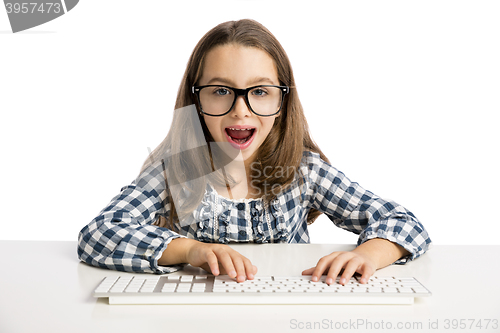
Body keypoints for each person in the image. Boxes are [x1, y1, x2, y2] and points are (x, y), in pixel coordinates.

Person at [77, 19, 431, 286]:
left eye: (259, 92)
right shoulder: (173, 170)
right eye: (220, 91)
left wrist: (366, 253)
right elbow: (99, 233)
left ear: (282, 101)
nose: (240, 110)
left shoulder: (303, 170)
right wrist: (189, 250)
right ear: (196, 100)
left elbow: (404, 224)